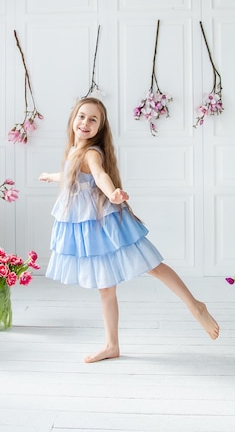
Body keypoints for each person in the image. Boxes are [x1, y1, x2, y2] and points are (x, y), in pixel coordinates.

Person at [39, 97, 220, 363]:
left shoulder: (90, 153)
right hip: (91, 227)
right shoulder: (75, 152)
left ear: (100, 127)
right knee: (106, 288)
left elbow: (99, 175)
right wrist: (51, 176)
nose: (85, 123)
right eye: (82, 116)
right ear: (73, 118)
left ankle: (196, 305)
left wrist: (112, 192)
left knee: (152, 265)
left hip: (105, 223)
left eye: (93, 119)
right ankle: (112, 345)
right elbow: (72, 175)